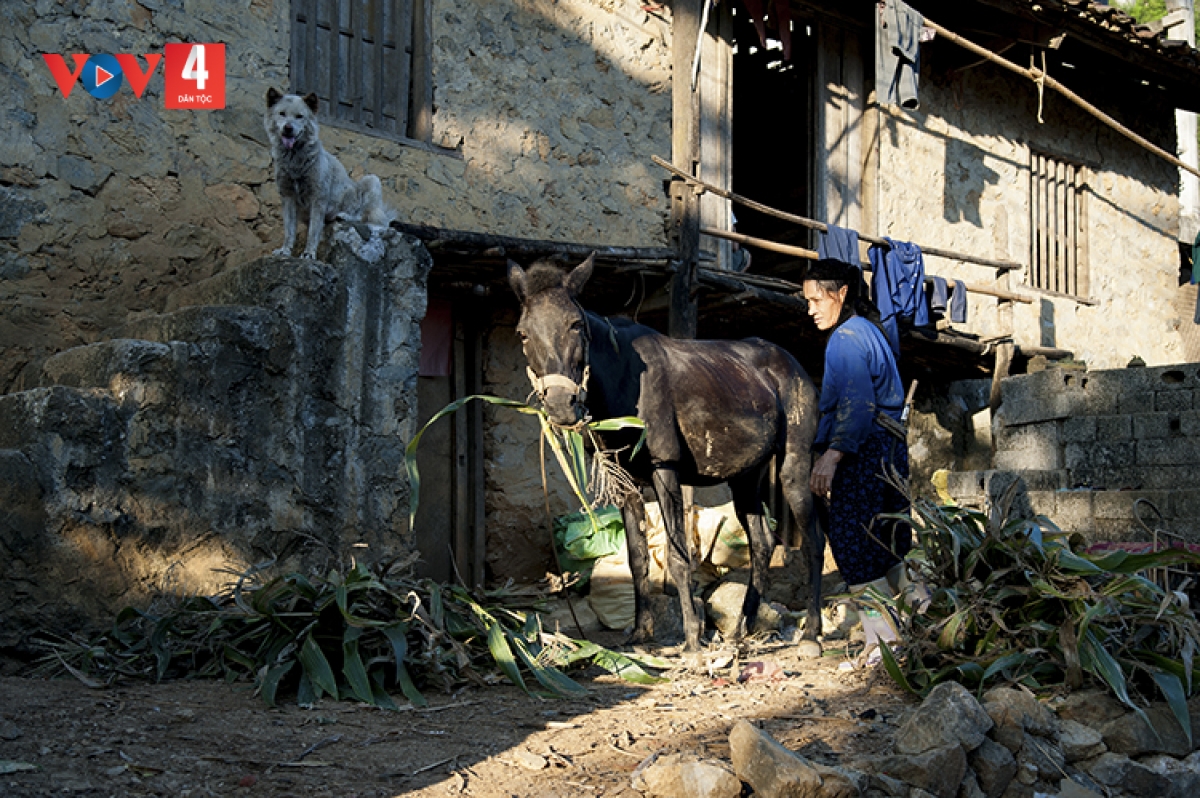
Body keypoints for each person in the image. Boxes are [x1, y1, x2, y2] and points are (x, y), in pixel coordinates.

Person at [802, 258, 913, 668]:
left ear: (841, 293)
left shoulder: (845, 340)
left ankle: (884, 644)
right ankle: (926, 624)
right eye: (807, 301)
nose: (810, 309)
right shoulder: (870, 331)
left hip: (863, 451)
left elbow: (856, 404)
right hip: (890, 447)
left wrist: (832, 456)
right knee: (888, 545)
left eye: (816, 300)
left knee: (854, 547)